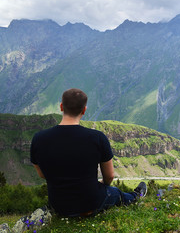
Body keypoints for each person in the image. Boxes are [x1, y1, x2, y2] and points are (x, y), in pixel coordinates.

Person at [30, 88, 147, 217]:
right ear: (84, 110)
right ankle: (135, 196)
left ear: (61, 107)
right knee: (115, 193)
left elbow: (42, 174)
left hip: (58, 206)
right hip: (91, 203)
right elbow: (109, 176)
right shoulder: (97, 137)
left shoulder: (38, 138)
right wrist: (102, 185)